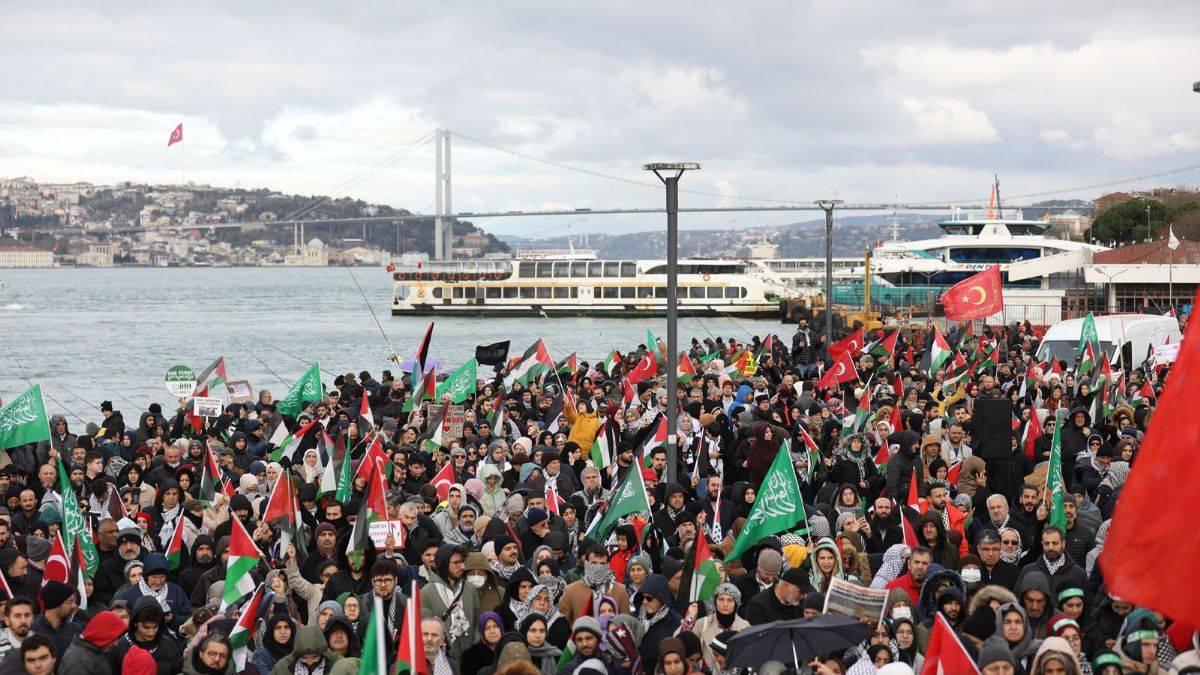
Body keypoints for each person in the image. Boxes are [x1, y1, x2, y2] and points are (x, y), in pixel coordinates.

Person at [58, 610, 127, 675]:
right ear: (102, 634)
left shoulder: (93, 651)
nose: (116, 644)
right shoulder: (80, 664)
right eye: (113, 639)